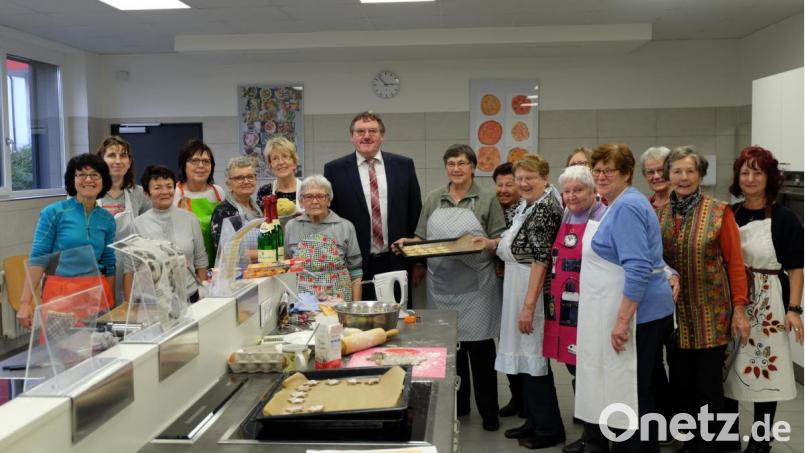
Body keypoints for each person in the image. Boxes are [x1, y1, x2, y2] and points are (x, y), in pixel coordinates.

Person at [394, 144, 505, 432]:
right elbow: (421, 236)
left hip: (478, 287)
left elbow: (499, 238)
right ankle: (461, 407)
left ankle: (489, 414)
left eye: (462, 163)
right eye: (451, 164)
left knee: (480, 351)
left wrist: (488, 245)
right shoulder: (434, 198)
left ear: (473, 167)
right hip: (442, 284)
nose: (456, 169)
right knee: (451, 351)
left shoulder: (487, 198)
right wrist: (408, 245)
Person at [574, 144, 675, 453]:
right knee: (635, 392)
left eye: (610, 171)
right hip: (638, 313)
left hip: (639, 317)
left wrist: (621, 321)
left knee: (631, 395)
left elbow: (638, 265)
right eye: (597, 170)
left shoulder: (628, 206)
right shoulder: (616, 202)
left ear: (628, 174)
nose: (601, 176)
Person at [657, 145, 750, 453]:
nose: (684, 177)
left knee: (709, 385)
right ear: (668, 175)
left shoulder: (719, 211)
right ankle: (692, 439)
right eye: (677, 171)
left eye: (690, 171)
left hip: (713, 313)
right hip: (675, 316)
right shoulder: (659, 214)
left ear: (700, 175)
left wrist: (739, 310)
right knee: (681, 381)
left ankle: (711, 444)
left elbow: (735, 264)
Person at [480, 154, 566, 448]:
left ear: (545, 178)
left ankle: (549, 429)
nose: (524, 183)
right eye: (520, 178)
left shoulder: (546, 208)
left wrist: (529, 306)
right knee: (525, 359)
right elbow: (510, 241)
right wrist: (490, 243)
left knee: (533, 356)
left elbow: (541, 259)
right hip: (517, 283)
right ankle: (533, 421)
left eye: (530, 178)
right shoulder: (526, 206)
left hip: (533, 289)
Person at [722, 146, 803, 453]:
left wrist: (794, 309)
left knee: (763, 370)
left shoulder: (784, 218)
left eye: (758, 172)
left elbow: (797, 268)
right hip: (734, 300)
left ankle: (760, 440)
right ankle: (728, 438)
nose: (751, 178)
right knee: (729, 369)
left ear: (769, 177)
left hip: (770, 302)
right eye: (745, 172)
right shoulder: (730, 214)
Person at [540, 165, 607, 453]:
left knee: (592, 375)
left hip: (592, 308)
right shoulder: (567, 214)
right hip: (567, 310)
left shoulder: (603, 216)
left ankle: (598, 439)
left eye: (578, 190)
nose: (571, 196)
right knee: (576, 371)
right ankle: (589, 433)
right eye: (566, 191)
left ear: (594, 191)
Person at [324, 112, 422, 302]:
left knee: (398, 319)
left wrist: (418, 260)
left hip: (395, 259)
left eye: (373, 131)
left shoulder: (403, 165)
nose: (366, 136)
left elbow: (415, 213)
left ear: (382, 136)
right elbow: (331, 216)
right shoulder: (334, 170)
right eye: (360, 131)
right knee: (355, 324)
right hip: (353, 265)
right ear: (352, 137)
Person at [17, 154, 116, 328]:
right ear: (73, 180)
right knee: (61, 352)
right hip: (60, 295)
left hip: (96, 294)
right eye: (81, 174)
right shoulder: (54, 213)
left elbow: (109, 264)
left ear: (103, 180)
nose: (88, 179)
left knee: (98, 350)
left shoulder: (107, 219)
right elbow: (39, 257)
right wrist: (25, 302)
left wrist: (112, 303)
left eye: (95, 175)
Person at [132, 165, 208, 303]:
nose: (165, 191)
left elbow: (201, 259)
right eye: (157, 188)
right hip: (154, 302)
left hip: (190, 296)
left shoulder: (190, 219)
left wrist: (203, 292)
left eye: (169, 186)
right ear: (147, 193)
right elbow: (131, 267)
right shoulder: (138, 224)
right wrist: (129, 303)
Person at [285, 175, 363, 302]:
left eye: (320, 196)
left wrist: (354, 309)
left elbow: (356, 272)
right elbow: (287, 266)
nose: (315, 201)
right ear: (301, 201)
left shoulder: (345, 226)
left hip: (339, 300)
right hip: (302, 301)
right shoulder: (292, 226)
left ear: (329, 200)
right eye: (309, 196)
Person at [95, 135, 151, 305]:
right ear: (101, 160)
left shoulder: (138, 193)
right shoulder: (91, 193)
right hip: (98, 266)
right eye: (112, 155)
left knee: (128, 314)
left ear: (129, 161)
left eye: (123, 155)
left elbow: (148, 227)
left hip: (130, 268)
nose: (118, 161)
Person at [492, 161, 523, 417]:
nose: (503, 190)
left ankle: (527, 399)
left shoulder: (524, 210)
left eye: (508, 184)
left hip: (523, 287)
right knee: (506, 341)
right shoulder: (491, 209)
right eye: (499, 184)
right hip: (498, 286)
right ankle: (517, 396)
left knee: (522, 341)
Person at [174, 139, 224, 266]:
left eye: (206, 161)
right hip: (186, 266)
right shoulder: (174, 193)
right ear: (184, 164)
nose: (201, 166)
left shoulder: (218, 192)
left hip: (217, 264)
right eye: (194, 161)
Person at [210, 157, 261, 262]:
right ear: (228, 184)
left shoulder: (258, 209)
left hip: (261, 271)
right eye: (239, 178)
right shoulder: (223, 212)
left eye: (250, 177)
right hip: (237, 275)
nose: (246, 181)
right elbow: (226, 252)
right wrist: (266, 253)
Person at [257, 136, 302, 213]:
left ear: (294, 162)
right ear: (270, 165)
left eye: (285, 156)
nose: (280, 162)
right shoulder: (265, 192)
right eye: (275, 158)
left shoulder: (306, 189)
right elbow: (262, 222)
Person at [493, 162, 520, 227]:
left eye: (509, 185)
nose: (503, 190)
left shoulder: (525, 212)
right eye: (500, 185)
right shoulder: (490, 209)